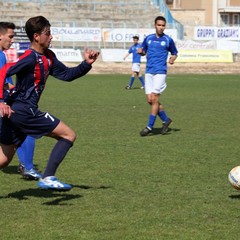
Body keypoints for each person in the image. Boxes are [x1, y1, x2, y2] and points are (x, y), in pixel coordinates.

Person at [0, 16, 99, 191]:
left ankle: (47, 177)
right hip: (23, 109)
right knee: (68, 135)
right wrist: (1, 101)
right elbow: (4, 72)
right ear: (37, 36)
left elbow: (67, 75)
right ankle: (48, 177)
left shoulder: (49, 56)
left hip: (16, 112)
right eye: (48, 33)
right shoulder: (30, 57)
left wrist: (86, 64)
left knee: (3, 159)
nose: (51, 36)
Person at [0, 21, 42, 180]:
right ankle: (27, 167)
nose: (12, 40)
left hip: (6, 103)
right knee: (27, 127)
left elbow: (6, 82)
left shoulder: (2, 55)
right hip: (3, 105)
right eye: (10, 36)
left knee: (5, 155)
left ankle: (27, 166)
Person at [138, 16, 178, 137]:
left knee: (154, 98)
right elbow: (144, 51)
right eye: (159, 25)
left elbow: (175, 53)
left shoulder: (168, 40)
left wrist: (172, 58)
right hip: (149, 71)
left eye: (163, 25)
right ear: (155, 25)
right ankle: (166, 120)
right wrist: (141, 52)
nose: (161, 27)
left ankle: (149, 126)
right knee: (150, 100)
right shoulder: (148, 38)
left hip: (160, 71)